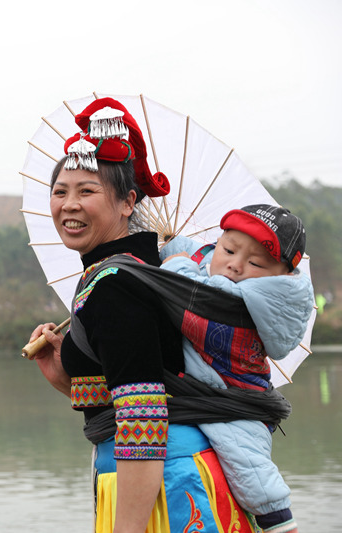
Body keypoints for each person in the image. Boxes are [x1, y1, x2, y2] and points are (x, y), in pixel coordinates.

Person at [28, 97, 268, 532]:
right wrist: (61, 373)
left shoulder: (117, 285)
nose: (69, 205)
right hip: (160, 474)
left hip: (166, 488)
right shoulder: (132, 273)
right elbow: (131, 393)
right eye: (60, 192)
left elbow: (143, 416)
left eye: (87, 191)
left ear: (127, 203)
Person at [160, 204, 313, 533]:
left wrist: (173, 263)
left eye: (256, 262)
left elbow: (197, 298)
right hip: (218, 388)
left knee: (249, 467)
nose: (235, 265)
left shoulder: (236, 303)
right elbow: (200, 254)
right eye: (228, 249)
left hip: (238, 402)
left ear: (281, 277)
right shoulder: (213, 265)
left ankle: (279, 521)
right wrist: (177, 246)